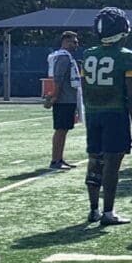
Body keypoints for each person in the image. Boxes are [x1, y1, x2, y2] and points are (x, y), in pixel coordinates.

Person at [81, 7, 132, 225]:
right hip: (115, 114)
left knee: (94, 160)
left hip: (93, 113)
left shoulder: (88, 54)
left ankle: (93, 209)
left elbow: (85, 86)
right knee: (112, 165)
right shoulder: (126, 57)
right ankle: (108, 212)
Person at [45, 31, 81, 170]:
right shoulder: (63, 57)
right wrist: (55, 95)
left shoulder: (64, 56)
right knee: (61, 130)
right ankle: (55, 160)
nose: (76, 44)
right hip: (64, 99)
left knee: (64, 129)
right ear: (65, 42)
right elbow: (58, 78)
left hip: (67, 98)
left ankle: (59, 158)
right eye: (74, 42)